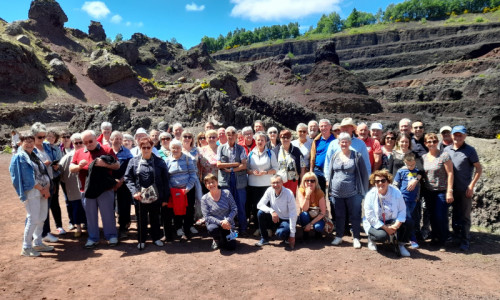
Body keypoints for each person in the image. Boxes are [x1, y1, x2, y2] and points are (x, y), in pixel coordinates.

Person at [70, 130, 120, 248]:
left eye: (90, 141)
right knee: (90, 216)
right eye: (85, 142)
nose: (88, 144)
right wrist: (78, 166)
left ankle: (111, 236)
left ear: (95, 139)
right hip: (87, 190)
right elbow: (71, 168)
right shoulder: (79, 152)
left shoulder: (107, 149)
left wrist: (105, 164)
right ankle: (93, 238)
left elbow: (117, 165)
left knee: (108, 214)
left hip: (105, 189)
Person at [10, 133, 53, 257]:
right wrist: (42, 189)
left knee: (42, 217)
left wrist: (47, 187)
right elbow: (27, 178)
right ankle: (26, 246)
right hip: (32, 191)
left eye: (31, 141)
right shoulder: (20, 157)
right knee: (33, 218)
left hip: (43, 190)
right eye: (26, 141)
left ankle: (38, 242)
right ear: (21, 143)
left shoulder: (33, 155)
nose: (29, 144)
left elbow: (43, 172)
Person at [125, 137, 170, 249]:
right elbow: (128, 178)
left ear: (152, 147)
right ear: (140, 148)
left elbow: (165, 181)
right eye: (143, 147)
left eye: (148, 147)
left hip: (156, 195)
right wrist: (134, 192)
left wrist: (165, 198)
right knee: (141, 218)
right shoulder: (133, 161)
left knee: (155, 218)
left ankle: (156, 238)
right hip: (140, 196)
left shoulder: (159, 162)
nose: (146, 149)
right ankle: (141, 240)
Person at [444, 125, 482, 251]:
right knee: (454, 214)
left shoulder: (470, 150)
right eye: (456, 134)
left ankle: (465, 240)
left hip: (464, 189)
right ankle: (456, 237)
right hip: (450, 189)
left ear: (465, 136)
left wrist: (471, 185)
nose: (458, 137)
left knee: (465, 215)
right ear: (452, 135)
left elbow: (478, 168)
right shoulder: (447, 149)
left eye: (460, 134)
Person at [327, 132, 369, 249]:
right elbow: (330, 172)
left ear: (350, 143)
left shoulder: (357, 156)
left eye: (346, 141)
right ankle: (339, 236)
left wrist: (363, 191)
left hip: (353, 192)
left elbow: (364, 174)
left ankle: (356, 238)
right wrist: (329, 188)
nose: (344, 143)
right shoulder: (335, 155)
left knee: (355, 215)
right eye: (342, 142)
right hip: (336, 192)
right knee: (339, 215)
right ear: (339, 143)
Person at [363, 170, 413, 257]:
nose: (380, 183)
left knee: (409, 222)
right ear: (374, 183)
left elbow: (402, 210)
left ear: (388, 181)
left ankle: (401, 245)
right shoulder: (370, 195)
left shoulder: (396, 192)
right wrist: (386, 228)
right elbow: (370, 216)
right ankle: (371, 239)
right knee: (382, 236)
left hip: (392, 220)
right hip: (376, 222)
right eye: (377, 181)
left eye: (383, 180)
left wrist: (396, 225)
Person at [422, 133, 454, 251]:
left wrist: (449, 191)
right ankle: (435, 238)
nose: (432, 144)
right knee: (431, 215)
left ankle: (443, 240)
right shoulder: (424, 157)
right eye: (429, 142)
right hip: (429, 191)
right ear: (425, 143)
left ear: (437, 142)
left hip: (442, 191)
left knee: (440, 216)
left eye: (434, 141)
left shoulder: (444, 156)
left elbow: (450, 173)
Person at [216, 127, 248, 236]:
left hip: (239, 180)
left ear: (236, 136)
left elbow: (244, 165)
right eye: (228, 134)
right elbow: (219, 164)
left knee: (240, 205)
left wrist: (232, 169)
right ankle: (230, 228)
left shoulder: (241, 149)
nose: (231, 136)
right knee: (227, 206)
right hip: (225, 180)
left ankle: (243, 228)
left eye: (233, 133)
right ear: (225, 135)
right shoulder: (220, 148)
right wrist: (235, 164)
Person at [31, 122, 60, 243]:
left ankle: (44, 233)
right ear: (33, 136)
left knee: (45, 209)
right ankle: (38, 235)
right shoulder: (30, 149)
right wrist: (44, 164)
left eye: (44, 136)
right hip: (38, 185)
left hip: (50, 181)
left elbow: (55, 156)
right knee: (37, 210)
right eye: (40, 137)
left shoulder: (46, 146)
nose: (43, 139)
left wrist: (55, 165)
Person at [165, 140, 198, 240]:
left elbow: (193, 174)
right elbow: (167, 177)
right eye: (173, 148)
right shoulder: (167, 161)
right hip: (174, 191)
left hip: (188, 190)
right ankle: (178, 228)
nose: (175, 150)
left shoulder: (188, 159)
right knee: (176, 210)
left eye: (177, 148)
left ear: (181, 148)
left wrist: (187, 188)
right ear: (170, 149)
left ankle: (187, 231)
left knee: (188, 210)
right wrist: (172, 189)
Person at [247, 132, 279, 234]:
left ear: (266, 141)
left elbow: (275, 169)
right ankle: (258, 228)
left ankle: (268, 228)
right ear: (255, 141)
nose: (260, 142)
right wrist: (253, 172)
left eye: (262, 140)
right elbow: (247, 169)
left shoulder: (271, 153)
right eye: (258, 140)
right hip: (253, 185)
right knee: (256, 207)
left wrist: (265, 172)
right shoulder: (251, 153)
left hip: (267, 185)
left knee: (268, 206)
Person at [324, 118, 371, 186]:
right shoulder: (333, 144)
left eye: (347, 127)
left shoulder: (360, 144)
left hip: (355, 184)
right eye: (343, 127)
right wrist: (327, 179)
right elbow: (328, 162)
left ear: (352, 128)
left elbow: (366, 163)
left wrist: (368, 179)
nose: (345, 129)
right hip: (336, 184)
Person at [255, 175, 297, 249]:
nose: (275, 185)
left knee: (280, 233)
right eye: (273, 183)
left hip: (285, 219)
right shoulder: (269, 190)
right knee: (260, 213)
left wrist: (292, 235)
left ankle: (287, 236)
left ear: (282, 183)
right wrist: (272, 211)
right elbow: (259, 205)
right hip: (275, 217)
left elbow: (293, 214)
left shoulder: (289, 193)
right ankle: (264, 239)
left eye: (278, 182)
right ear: (270, 184)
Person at [59, 133, 87, 237]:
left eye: (81, 142)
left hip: (86, 187)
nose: (79, 144)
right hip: (73, 187)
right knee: (76, 207)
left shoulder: (88, 153)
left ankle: (88, 225)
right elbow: (60, 172)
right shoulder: (67, 157)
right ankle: (78, 228)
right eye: (76, 143)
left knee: (88, 207)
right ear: (72, 143)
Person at [201, 174, 238, 250]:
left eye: (213, 182)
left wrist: (227, 220)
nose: (211, 184)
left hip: (228, 223)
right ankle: (216, 239)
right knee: (212, 229)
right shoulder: (204, 199)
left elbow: (234, 209)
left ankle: (228, 236)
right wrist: (221, 222)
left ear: (217, 182)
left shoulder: (227, 193)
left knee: (231, 247)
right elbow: (207, 217)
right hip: (215, 224)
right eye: (208, 183)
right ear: (206, 186)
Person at [393, 153, 422, 249]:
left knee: (408, 219)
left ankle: (403, 238)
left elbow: (418, 186)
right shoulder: (401, 171)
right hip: (403, 199)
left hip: (413, 200)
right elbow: (395, 185)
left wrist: (417, 197)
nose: (410, 167)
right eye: (408, 165)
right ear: (405, 162)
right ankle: (412, 239)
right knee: (409, 219)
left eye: (412, 165)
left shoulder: (417, 172)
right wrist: (397, 197)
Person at [110, 131, 134, 238]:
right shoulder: (107, 151)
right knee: (110, 206)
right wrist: (112, 181)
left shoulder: (127, 152)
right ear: (111, 140)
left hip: (123, 183)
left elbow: (130, 167)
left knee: (124, 206)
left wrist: (121, 180)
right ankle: (111, 229)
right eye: (116, 138)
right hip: (109, 183)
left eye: (120, 138)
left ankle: (123, 228)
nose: (118, 140)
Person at [46, 129, 65, 235]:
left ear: (56, 139)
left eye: (52, 137)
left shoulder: (57, 149)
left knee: (54, 202)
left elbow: (60, 161)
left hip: (55, 178)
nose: (50, 139)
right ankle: (46, 230)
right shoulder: (42, 148)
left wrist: (57, 166)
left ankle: (59, 226)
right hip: (45, 179)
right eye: (48, 136)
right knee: (44, 204)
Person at [296, 172, 326, 237]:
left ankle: (317, 233)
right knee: (304, 214)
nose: (309, 183)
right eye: (307, 180)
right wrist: (307, 195)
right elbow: (304, 209)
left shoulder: (319, 192)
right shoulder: (301, 191)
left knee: (318, 227)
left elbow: (323, 212)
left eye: (312, 181)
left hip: (317, 216)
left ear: (316, 182)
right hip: (306, 216)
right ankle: (305, 232)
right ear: (304, 182)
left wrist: (310, 224)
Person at [276, 129, 305, 195]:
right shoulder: (276, 151)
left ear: (291, 138)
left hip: (293, 181)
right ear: (280, 138)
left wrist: (302, 182)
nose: (285, 139)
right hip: (280, 181)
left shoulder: (296, 151)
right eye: (283, 137)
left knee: (291, 200)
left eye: (288, 137)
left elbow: (302, 167)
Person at [309, 119, 335, 191]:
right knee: (318, 194)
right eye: (322, 126)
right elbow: (312, 157)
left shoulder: (336, 139)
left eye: (325, 126)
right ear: (319, 128)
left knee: (332, 194)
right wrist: (311, 171)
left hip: (333, 170)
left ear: (330, 127)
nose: (324, 128)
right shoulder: (316, 141)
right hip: (318, 170)